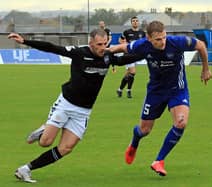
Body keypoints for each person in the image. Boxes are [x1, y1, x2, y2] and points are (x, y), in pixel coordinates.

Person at [8, 30, 141, 183]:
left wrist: (151, 52)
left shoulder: (107, 56)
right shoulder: (79, 53)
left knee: (66, 148)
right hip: (66, 104)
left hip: (83, 112)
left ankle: (25, 169)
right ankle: (44, 129)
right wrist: (25, 41)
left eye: (105, 44)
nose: (103, 47)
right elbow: (52, 47)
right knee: (45, 142)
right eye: (99, 44)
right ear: (90, 43)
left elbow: (126, 59)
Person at [109, 21, 212, 176]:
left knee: (181, 122)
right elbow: (123, 47)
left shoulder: (177, 42)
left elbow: (201, 45)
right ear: (149, 38)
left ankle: (159, 160)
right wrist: (105, 51)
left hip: (177, 90)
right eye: (158, 39)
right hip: (155, 92)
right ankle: (134, 142)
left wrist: (205, 69)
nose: (162, 41)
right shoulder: (142, 45)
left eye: (164, 37)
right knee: (144, 130)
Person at [116, 16, 146, 98]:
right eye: (133, 21)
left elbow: (145, 42)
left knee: (128, 74)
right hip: (128, 55)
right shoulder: (127, 32)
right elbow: (120, 40)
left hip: (137, 55)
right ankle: (129, 91)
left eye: (136, 21)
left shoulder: (142, 33)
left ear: (138, 22)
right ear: (131, 23)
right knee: (133, 72)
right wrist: (124, 45)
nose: (135, 22)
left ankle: (120, 89)